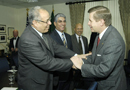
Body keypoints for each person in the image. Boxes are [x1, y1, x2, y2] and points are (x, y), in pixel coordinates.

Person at [18, 6, 86, 90]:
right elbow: (47, 62)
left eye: (49, 20)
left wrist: (77, 55)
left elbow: (57, 47)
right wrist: (72, 63)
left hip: (47, 80)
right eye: (46, 21)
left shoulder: (44, 33)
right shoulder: (28, 39)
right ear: (35, 22)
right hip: (34, 84)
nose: (50, 23)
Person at [71, 6, 127, 90]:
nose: (88, 23)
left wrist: (81, 66)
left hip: (112, 86)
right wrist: (80, 60)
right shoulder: (99, 35)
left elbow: (103, 70)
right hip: (102, 83)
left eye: (90, 20)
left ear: (101, 22)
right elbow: (95, 57)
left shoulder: (113, 41)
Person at [50, 13, 73, 90]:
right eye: (60, 21)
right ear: (55, 23)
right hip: (57, 75)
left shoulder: (69, 37)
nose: (63, 23)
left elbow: (70, 53)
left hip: (69, 74)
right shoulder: (50, 37)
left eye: (64, 21)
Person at [71, 23, 90, 89]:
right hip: (74, 65)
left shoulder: (85, 39)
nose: (80, 30)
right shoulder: (70, 38)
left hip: (84, 65)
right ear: (74, 29)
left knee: (83, 83)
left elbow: (86, 51)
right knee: (75, 83)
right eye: (78, 28)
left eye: (81, 28)